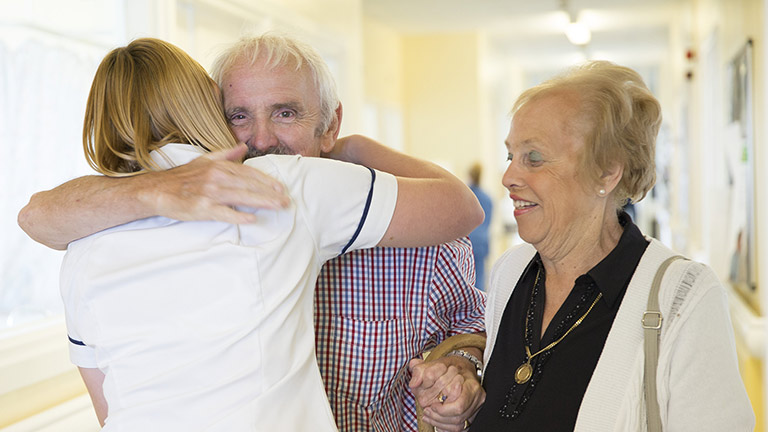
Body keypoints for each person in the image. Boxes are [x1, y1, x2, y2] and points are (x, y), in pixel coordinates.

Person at [17, 33, 487, 431]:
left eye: (285, 113)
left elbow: (472, 322)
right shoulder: (280, 186)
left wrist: (462, 366)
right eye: (238, 116)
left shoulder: (82, 246)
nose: (261, 140)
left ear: (330, 125)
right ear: (208, 117)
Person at [413, 61, 755, 431]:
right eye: (511, 155)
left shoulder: (684, 299)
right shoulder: (510, 273)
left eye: (534, 158)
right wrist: (464, 389)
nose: (508, 177)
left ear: (606, 172)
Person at [467, 162, 493, 291]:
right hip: (481, 243)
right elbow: (488, 223)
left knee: (466, 278)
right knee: (480, 279)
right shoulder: (487, 199)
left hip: (467, 241)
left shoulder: (465, 195)